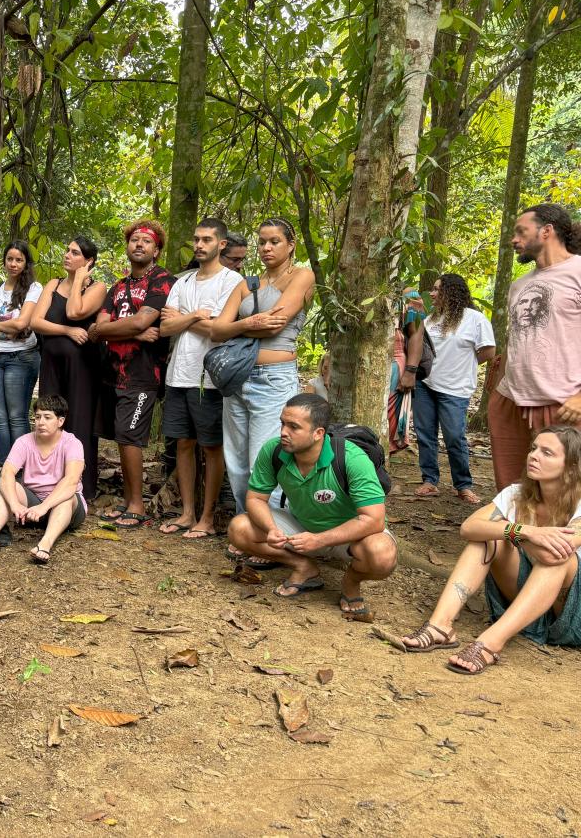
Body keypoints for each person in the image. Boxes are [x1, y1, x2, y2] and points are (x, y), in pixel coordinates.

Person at [400, 426, 581, 673]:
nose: (534, 456)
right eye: (534, 448)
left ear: (570, 467)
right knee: (486, 539)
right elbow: (469, 527)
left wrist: (512, 533)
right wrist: (524, 532)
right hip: (527, 604)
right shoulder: (516, 495)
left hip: (571, 614)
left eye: (547, 453)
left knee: (560, 558)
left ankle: (489, 643)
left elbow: (554, 553)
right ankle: (440, 625)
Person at [227, 394, 396, 617]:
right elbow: (256, 499)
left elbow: (373, 520)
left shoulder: (352, 458)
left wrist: (319, 539)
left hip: (350, 535)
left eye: (294, 427)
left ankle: (351, 582)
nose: (283, 432)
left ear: (318, 433)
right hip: (301, 526)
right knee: (239, 528)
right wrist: (271, 529)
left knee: (382, 555)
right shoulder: (274, 451)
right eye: (282, 424)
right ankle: (303, 567)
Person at [212, 217, 315, 516]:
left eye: (274, 242)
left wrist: (238, 326)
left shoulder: (302, 276)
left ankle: (272, 528)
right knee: (237, 461)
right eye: (262, 242)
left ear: (290, 245)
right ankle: (247, 525)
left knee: (265, 457)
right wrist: (250, 323)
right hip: (238, 378)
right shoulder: (248, 284)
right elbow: (217, 330)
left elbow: (276, 325)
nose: (266, 248)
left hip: (273, 379)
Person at [157, 217, 243, 538]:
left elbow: (219, 330)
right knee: (183, 443)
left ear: (221, 244)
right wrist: (195, 315)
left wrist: (184, 318)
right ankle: (187, 513)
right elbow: (165, 328)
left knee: (211, 446)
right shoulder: (183, 282)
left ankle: (207, 517)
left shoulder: (231, 281)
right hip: (178, 375)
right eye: (196, 239)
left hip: (209, 377)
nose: (199, 245)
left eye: (206, 240)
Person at [89, 219, 175, 528]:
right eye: (134, 240)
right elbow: (96, 329)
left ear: (156, 250)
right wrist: (135, 332)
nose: (139, 244)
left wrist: (123, 328)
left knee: (130, 437)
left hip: (143, 374)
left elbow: (140, 321)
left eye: (146, 241)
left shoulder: (162, 280)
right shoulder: (117, 286)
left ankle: (137, 506)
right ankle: (128, 500)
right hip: (113, 374)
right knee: (122, 438)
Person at [488, 204, 581, 490]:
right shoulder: (518, 285)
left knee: (566, 492)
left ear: (547, 231)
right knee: (512, 489)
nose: (514, 239)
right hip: (511, 400)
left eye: (521, 231)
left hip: (564, 402)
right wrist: (497, 393)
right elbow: (515, 338)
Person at [31, 236, 107, 500]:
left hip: (82, 366)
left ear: (89, 261)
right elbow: (36, 322)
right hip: (51, 364)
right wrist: (67, 331)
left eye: (75, 253)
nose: (67, 255)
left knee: (79, 422)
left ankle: (81, 488)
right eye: (67, 250)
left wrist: (78, 281)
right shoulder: (52, 284)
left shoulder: (98, 287)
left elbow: (76, 311)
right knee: (49, 418)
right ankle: (47, 483)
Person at [0, 395, 86, 565]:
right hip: (33, 504)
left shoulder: (72, 443)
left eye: (47, 417)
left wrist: (44, 507)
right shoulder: (24, 441)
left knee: (67, 498)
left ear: (60, 421)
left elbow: (71, 482)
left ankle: (45, 545)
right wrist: (15, 504)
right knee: (10, 488)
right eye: (37, 417)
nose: (41, 422)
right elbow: (7, 474)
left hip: (66, 508)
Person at [411, 274, 495, 505]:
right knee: (425, 434)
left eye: (437, 289)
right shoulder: (431, 319)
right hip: (425, 384)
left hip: (455, 389)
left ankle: (463, 485)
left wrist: (464, 366)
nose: (432, 293)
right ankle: (430, 480)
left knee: (455, 437)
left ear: (452, 292)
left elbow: (488, 351)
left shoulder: (475, 319)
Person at [0, 239, 43, 471]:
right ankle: (6, 467)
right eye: (10, 259)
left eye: (19, 260)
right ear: (4, 261)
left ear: (26, 263)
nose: (13, 264)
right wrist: (7, 330)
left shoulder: (34, 288)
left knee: (17, 415)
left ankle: (22, 469)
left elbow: (23, 323)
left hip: (21, 358)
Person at [389, 286, 427, 453]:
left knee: (388, 421)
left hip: (394, 365)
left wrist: (410, 371)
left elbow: (417, 333)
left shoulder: (408, 294)